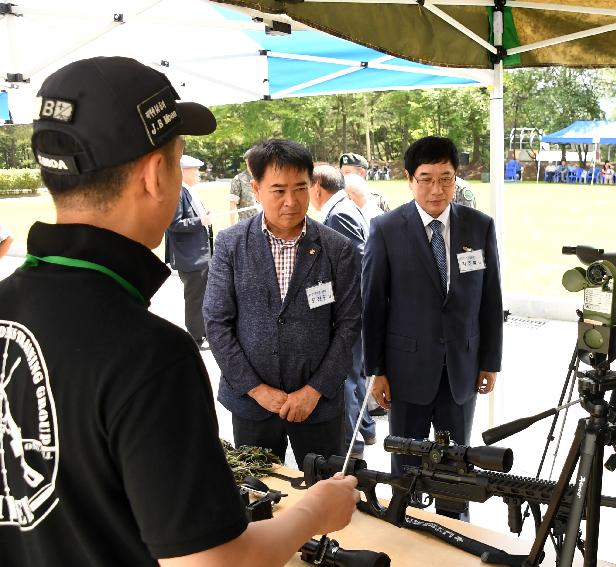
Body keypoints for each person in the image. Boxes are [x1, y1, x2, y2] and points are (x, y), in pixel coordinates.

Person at [0, 55, 357, 567]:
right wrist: (314, 512)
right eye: (178, 156)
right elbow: (212, 562)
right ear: (154, 174)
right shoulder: (150, 355)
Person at [362, 136, 503, 519]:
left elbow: (490, 298)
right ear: (409, 179)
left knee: (457, 463)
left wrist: (490, 360)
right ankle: (404, 525)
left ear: (457, 179)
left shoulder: (479, 226)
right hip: (406, 371)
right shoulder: (386, 229)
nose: (436, 189)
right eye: (426, 178)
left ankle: (455, 527)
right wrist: (376, 370)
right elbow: (372, 305)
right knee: (406, 462)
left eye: (446, 178)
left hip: (463, 368)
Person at [205, 139, 362, 469]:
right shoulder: (231, 244)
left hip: (318, 406)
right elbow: (217, 323)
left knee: (325, 496)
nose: (291, 201)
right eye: (278, 190)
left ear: (312, 186)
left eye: (300, 188)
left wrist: (314, 390)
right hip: (253, 405)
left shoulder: (337, 248)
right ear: (256, 189)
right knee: (261, 495)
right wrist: (257, 389)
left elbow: (348, 325)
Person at [308, 164, 375, 459]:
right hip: (356, 308)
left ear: (318, 187)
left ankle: (352, 443)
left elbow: (358, 263)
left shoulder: (339, 215)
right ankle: (367, 429)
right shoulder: (344, 208)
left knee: (345, 377)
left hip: (351, 309)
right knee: (354, 373)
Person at [165, 154, 211, 349]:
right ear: (182, 172)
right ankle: (195, 337)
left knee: (204, 295)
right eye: (195, 170)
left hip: (199, 254)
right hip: (190, 257)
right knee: (195, 298)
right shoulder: (178, 192)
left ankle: (203, 331)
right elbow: (173, 223)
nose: (199, 174)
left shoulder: (189, 191)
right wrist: (200, 221)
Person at [229, 147, 258, 224]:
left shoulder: (263, 177)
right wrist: (233, 227)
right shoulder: (238, 179)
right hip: (246, 225)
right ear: (246, 161)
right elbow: (232, 205)